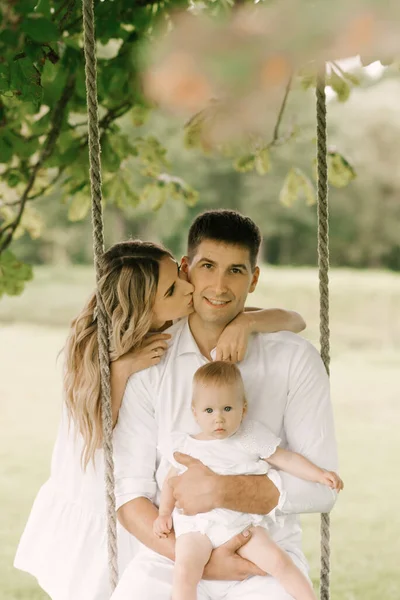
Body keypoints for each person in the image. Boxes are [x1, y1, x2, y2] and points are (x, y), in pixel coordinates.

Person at [14, 239, 305, 600]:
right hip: (98, 508)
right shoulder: (102, 356)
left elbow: (296, 320)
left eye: (180, 275)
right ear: (145, 308)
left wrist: (246, 322)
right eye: (173, 288)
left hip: (150, 511)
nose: (189, 287)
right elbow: (99, 438)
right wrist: (120, 371)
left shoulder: (172, 324)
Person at [110, 209, 339, 600]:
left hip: (264, 556)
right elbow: (129, 495)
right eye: (207, 266)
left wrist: (220, 490)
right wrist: (199, 562)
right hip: (171, 558)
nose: (219, 285)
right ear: (186, 269)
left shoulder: (295, 359)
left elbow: (321, 490)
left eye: (235, 270)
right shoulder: (150, 360)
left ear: (254, 278)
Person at [153, 361, 343, 600]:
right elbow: (172, 482)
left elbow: (285, 459)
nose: (219, 419)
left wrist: (318, 474)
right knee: (185, 571)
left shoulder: (249, 436)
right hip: (197, 526)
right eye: (209, 411)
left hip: (241, 523)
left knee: (278, 562)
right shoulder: (185, 445)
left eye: (227, 409)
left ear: (243, 409)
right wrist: (164, 513)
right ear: (195, 412)